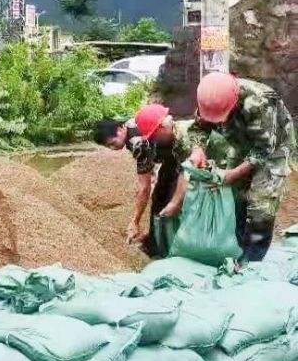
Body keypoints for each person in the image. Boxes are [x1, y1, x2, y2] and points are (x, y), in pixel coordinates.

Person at [187, 72, 295, 262]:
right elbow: (198, 128)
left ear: (234, 102)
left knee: (261, 203)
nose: (219, 122)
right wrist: (197, 149)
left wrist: (235, 173)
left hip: (274, 147)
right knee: (237, 197)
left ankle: (252, 261)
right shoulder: (210, 97)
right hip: (241, 143)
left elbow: (264, 149)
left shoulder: (260, 102)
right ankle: (238, 249)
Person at [94, 104, 192, 256]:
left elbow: (144, 188)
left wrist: (135, 221)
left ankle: (174, 246)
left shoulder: (137, 143)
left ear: (120, 129)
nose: (114, 149)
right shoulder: (129, 124)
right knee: (159, 196)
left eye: (113, 143)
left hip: (178, 155)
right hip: (169, 157)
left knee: (175, 199)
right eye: (109, 147)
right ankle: (155, 242)